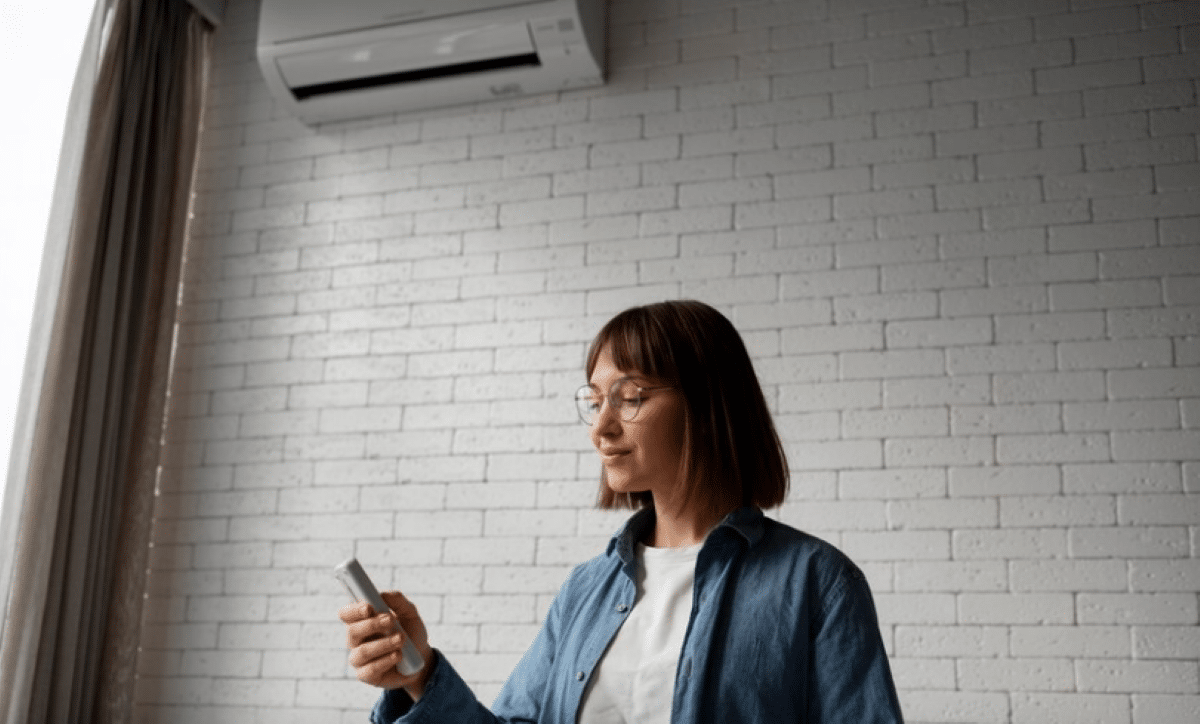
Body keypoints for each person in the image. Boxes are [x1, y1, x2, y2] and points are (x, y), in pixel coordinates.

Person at [338, 299, 904, 723]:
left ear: (708, 404)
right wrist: (420, 675)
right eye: (594, 399)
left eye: (630, 397)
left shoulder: (817, 583)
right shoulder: (587, 589)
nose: (601, 428)